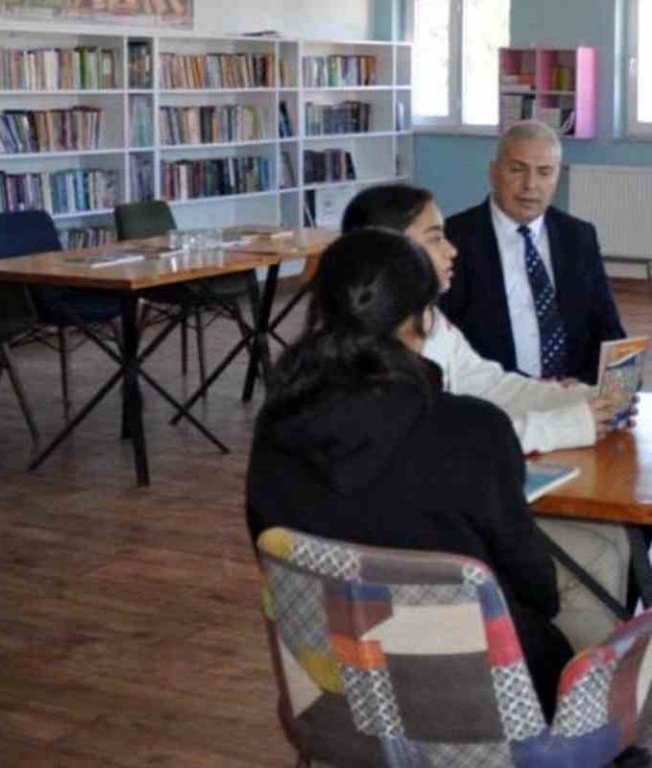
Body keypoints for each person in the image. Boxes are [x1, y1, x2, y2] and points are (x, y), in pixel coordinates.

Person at [245, 229, 574, 716]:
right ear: (421, 319)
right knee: (586, 584)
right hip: (487, 699)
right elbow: (538, 590)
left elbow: (270, 547)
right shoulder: (474, 429)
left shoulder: (276, 425)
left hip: (333, 693)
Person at [340, 182, 633, 652]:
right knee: (596, 556)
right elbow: (464, 445)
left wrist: (577, 400)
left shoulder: (428, 322)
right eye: (435, 237)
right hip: (421, 565)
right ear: (390, 253)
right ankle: (579, 684)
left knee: (613, 534)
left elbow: (490, 385)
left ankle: (595, 669)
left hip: (401, 551)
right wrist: (566, 424)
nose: (452, 249)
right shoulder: (383, 368)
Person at [441, 120, 626, 384]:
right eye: (517, 169)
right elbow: (443, 343)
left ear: (557, 177)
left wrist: (611, 382)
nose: (530, 184)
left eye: (544, 172)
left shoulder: (578, 236)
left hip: (572, 394)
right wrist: (527, 390)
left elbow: (608, 328)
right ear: (493, 172)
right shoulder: (453, 240)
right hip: (492, 396)